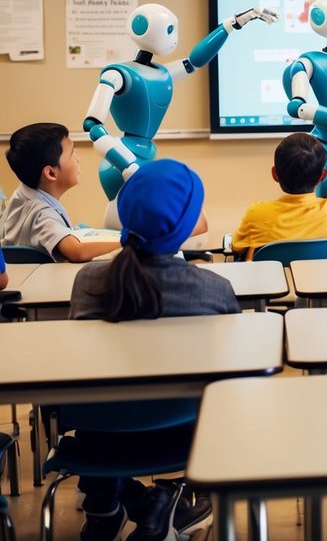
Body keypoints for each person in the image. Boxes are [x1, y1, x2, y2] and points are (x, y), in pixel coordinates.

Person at [67, 159, 237, 540]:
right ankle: (165, 498)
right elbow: (230, 371)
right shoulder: (214, 289)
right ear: (187, 226)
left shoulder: (87, 281)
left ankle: (109, 502)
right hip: (184, 436)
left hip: (98, 436)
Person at [230, 133, 327, 260]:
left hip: (273, 284)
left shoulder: (257, 214)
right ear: (322, 176)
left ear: (274, 174)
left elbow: (237, 247)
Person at [2, 122, 123, 262]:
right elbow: (77, 252)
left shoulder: (23, 192)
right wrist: (128, 243)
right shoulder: (42, 215)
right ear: (51, 173)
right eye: (72, 154)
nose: (77, 159)